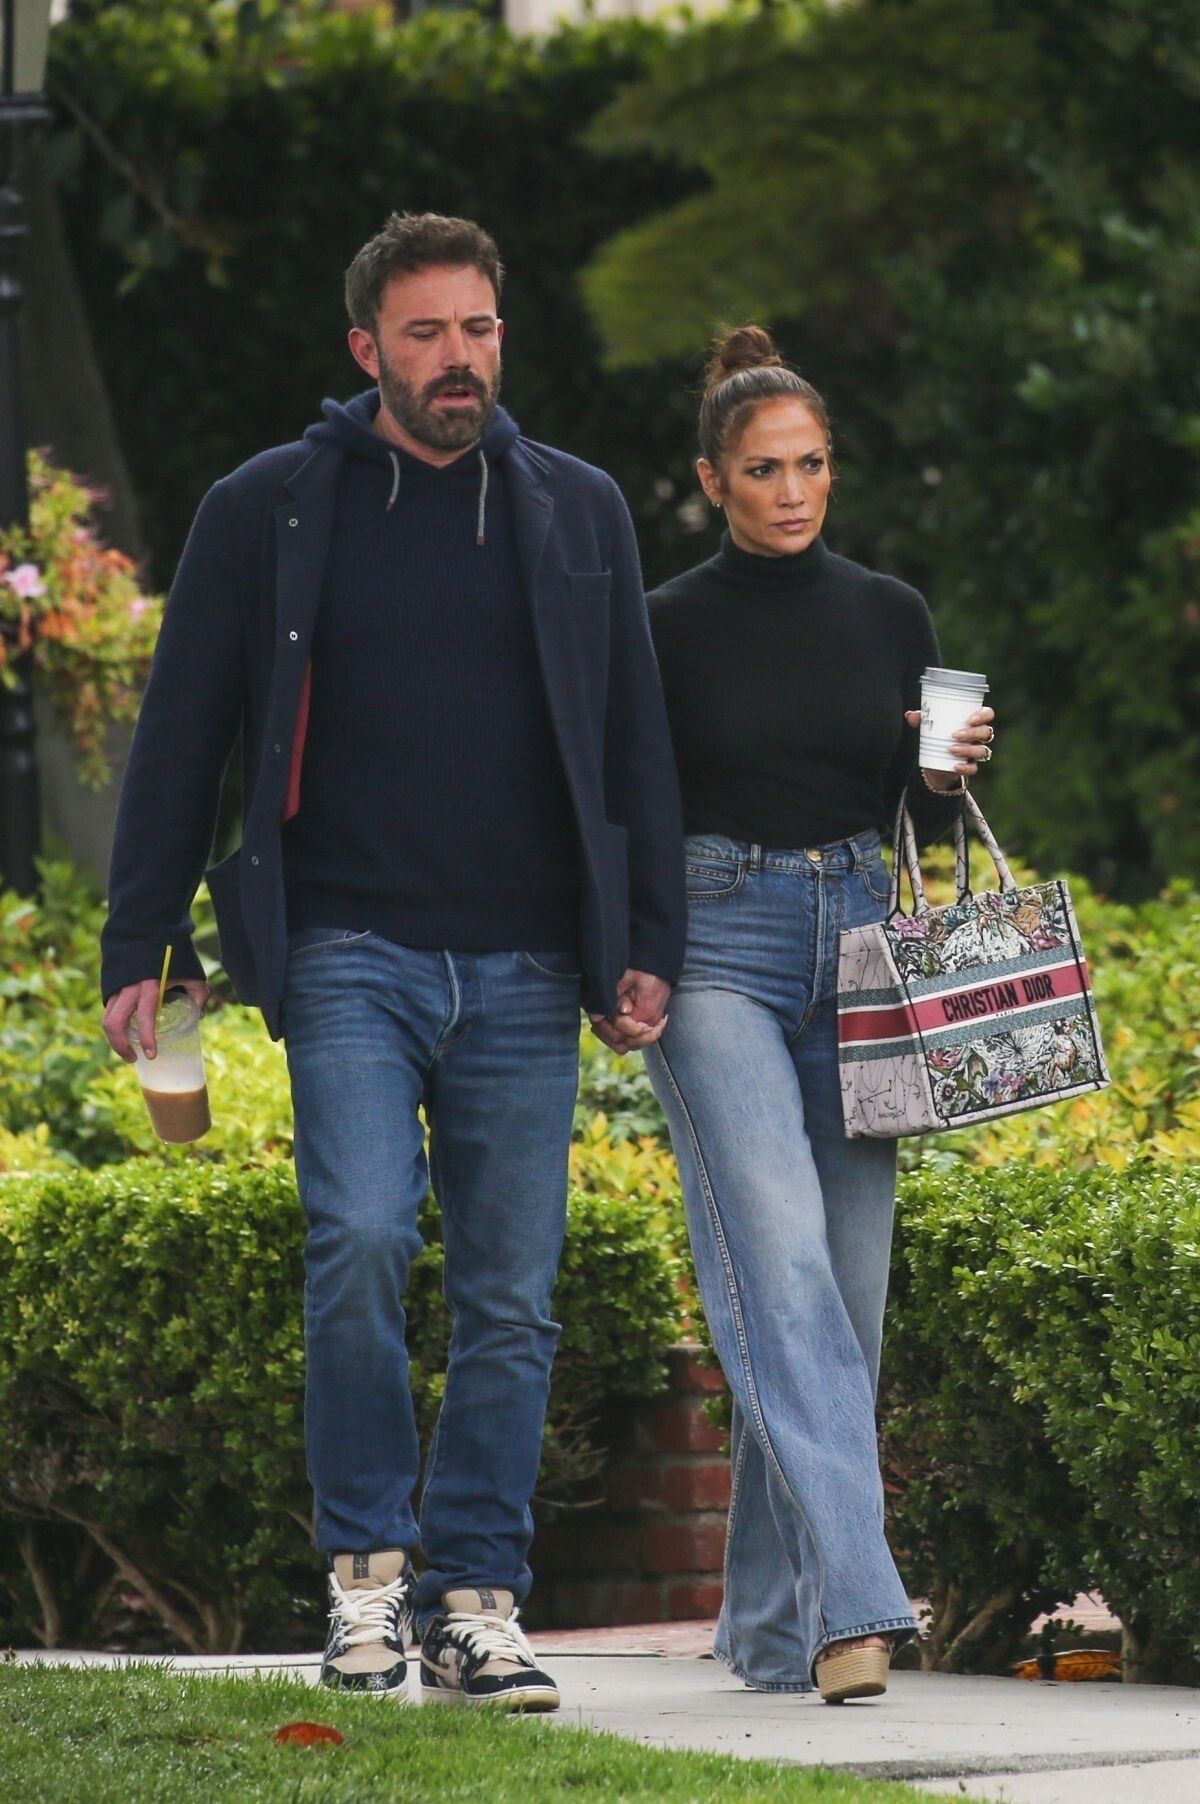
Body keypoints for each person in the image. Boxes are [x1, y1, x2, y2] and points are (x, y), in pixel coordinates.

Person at [100, 212, 685, 1709]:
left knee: (513, 1296)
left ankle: (476, 1600)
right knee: (360, 1237)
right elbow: (182, 735)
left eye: (478, 328)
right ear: (367, 349)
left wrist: (646, 941)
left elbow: (633, 737)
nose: (458, 358)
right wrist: (140, 938)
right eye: (426, 333)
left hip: (528, 964)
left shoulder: (577, 508)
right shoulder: (268, 507)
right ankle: (366, 1581)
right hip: (347, 949)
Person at [642, 327, 996, 1705]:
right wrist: (624, 961)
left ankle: (767, 1625)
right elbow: (629, 805)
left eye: (811, 464)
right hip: (714, 946)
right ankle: (858, 1602)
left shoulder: (889, 613)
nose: (792, 491)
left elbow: (909, 811)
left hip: (861, 942)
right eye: (763, 470)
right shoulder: (661, 625)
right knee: (779, 1261)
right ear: (712, 480)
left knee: (842, 1296)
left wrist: (945, 773)